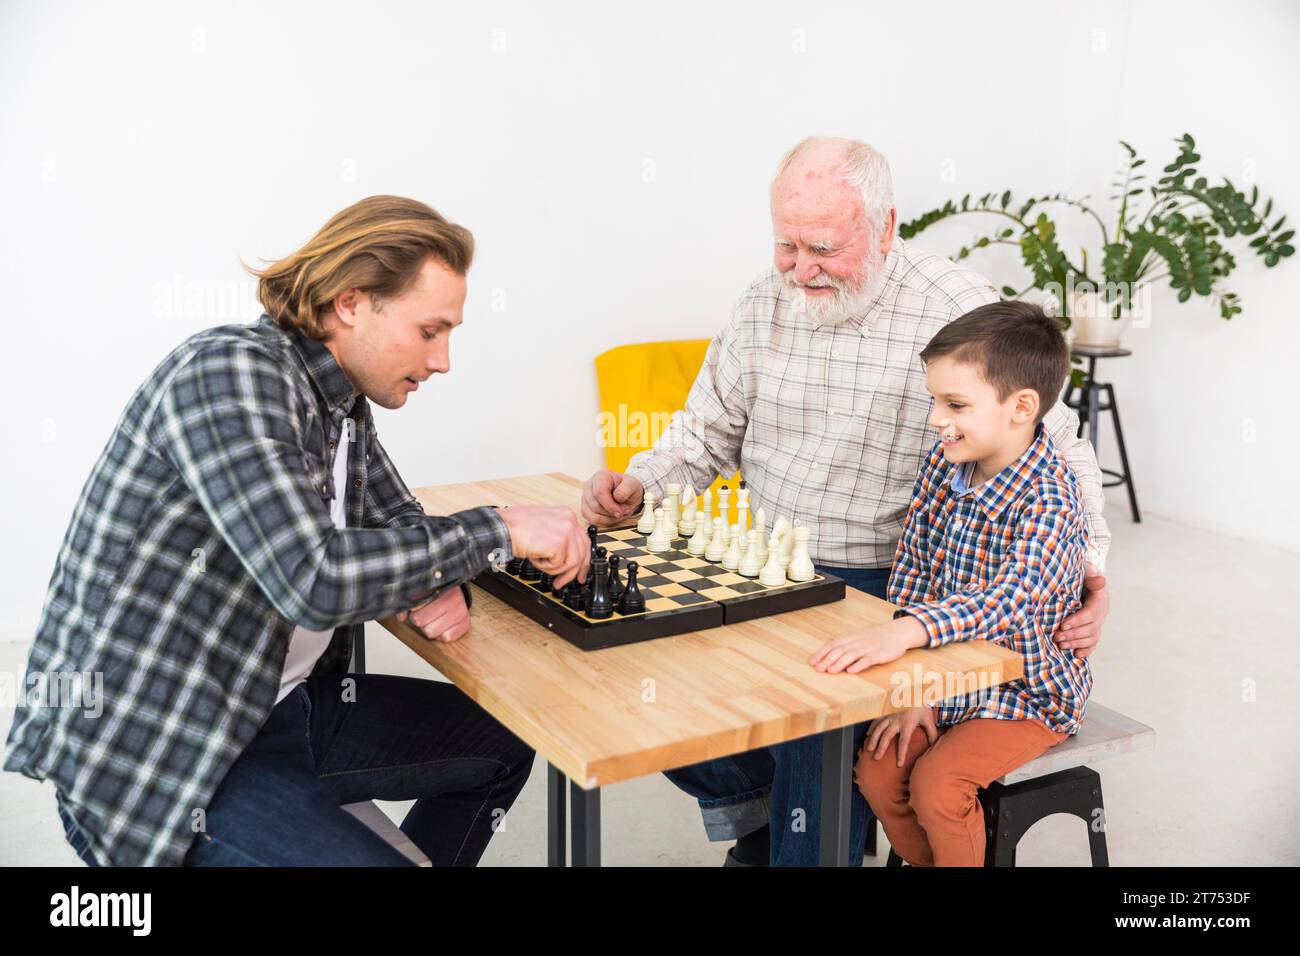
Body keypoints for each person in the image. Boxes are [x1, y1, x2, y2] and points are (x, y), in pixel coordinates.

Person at [6, 195, 590, 866]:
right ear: (351, 302)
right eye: (430, 330)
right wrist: (499, 530)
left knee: (502, 746)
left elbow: (397, 520)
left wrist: (441, 570)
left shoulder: (339, 401)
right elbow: (314, 580)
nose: (443, 360)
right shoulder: (230, 372)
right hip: (168, 750)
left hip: (278, 710)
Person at [581, 137, 1112, 866]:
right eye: (786, 245)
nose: (801, 269)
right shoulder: (763, 303)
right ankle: (783, 819)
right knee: (651, 701)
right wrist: (641, 483)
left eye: (823, 247)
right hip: (763, 565)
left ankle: (808, 831)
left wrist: (1090, 571)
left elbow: (1059, 448)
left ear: (886, 225)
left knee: (814, 722)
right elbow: (702, 433)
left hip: (875, 583)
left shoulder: (957, 307)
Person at [813, 300, 1091, 866]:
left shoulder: (1052, 499)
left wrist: (909, 632)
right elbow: (913, 560)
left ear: (1021, 407)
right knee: (877, 771)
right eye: (935, 401)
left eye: (955, 404)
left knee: (939, 786)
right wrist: (917, 687)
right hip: (945, 678)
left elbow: (1013, 597)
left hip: (1027, 693)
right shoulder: (945, 465)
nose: (937, 418)